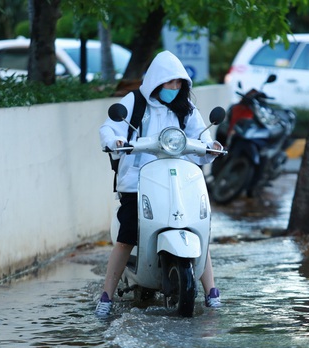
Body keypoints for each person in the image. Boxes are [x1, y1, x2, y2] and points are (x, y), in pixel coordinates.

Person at [95, 50, 223, 316]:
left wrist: (211, 147)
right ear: (156, 80)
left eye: (178, 83)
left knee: (197, 227)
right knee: (127, 233)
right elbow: (109, 129)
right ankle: (106, 296)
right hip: (138, 182)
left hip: (178, 178)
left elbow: (198, 135)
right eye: (169, 82)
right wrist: (115, 141)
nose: (174, 88)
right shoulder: (134, 102)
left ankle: (212, 292)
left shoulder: (184, 107)